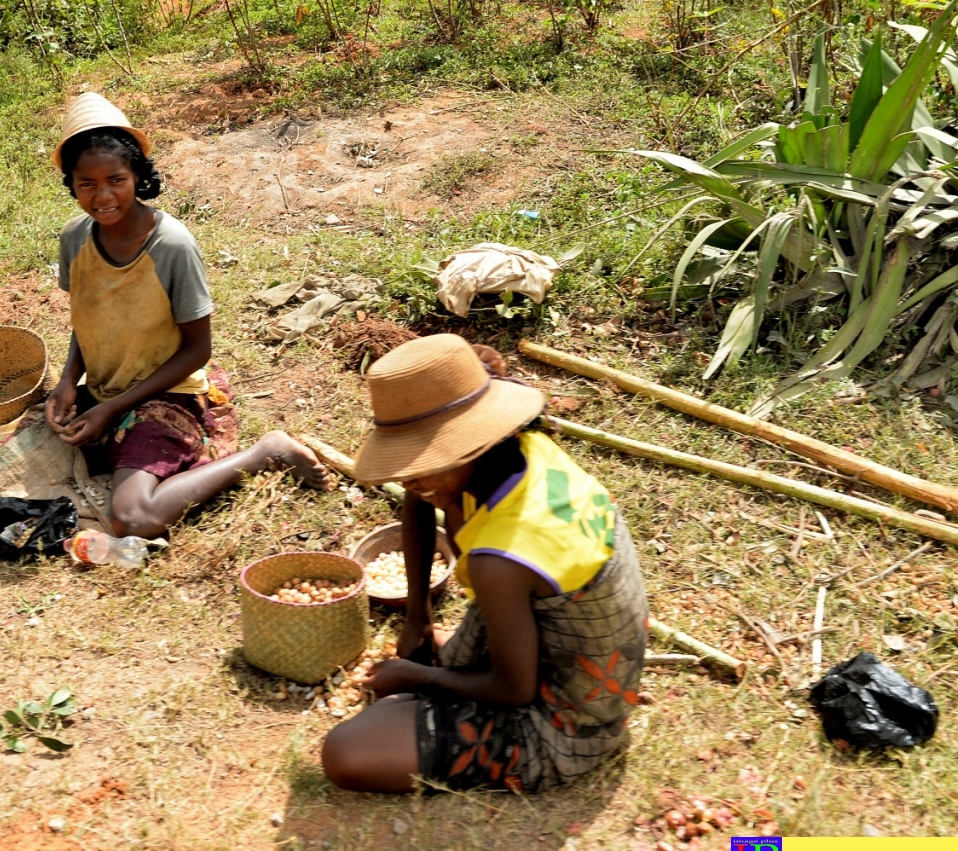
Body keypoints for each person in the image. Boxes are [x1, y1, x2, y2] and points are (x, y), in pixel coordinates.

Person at [321, 334, 648, 793]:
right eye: (404, 465)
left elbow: (514, 690)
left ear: (470, 442)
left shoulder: (502, 557)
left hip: (568, 722)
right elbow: (418, 498)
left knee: (347, 753)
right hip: (568, 659)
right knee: (404, 693)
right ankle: (441, 676)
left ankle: (442, 691)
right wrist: (418, 615)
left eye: (422, 463)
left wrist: (420, 677)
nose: (409, 479)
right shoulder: (522, 451)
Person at [45, 93, 332, 538]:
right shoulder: (74, 239)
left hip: (166, 389)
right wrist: (68, 381)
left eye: (116, 179)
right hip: (103, 390)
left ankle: (263, 453)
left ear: (137, 176)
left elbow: (199, 349)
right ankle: (120, 438)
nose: (102, 196)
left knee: (133, 519)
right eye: (87, 183)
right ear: (72, 185)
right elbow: (86, 319)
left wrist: (115, 409)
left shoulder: (171, 246)